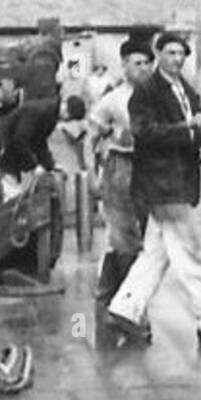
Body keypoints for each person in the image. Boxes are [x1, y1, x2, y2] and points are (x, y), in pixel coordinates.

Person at [106, 33, 201, 347]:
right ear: (159, 54)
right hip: (162, 184)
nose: (177, 59)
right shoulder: (146, 92)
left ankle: (125, 308)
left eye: (182, 54)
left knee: (156, 253)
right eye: (171, 53)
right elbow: (145, 133)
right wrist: (188, 128)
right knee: (187, 255)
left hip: (179, 182)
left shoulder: (186, 91)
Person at [87, 36, 154, 307]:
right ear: (124, 65)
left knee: (139, 238)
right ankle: (130, 307)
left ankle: (107, 294)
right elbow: (91, 138)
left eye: (148, 63)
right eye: (138, 63)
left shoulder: (159, 99)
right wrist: (91, 174)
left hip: (151, 170)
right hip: (120, 169)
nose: (144, 68)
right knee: (127, 238)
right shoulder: (113, 100)